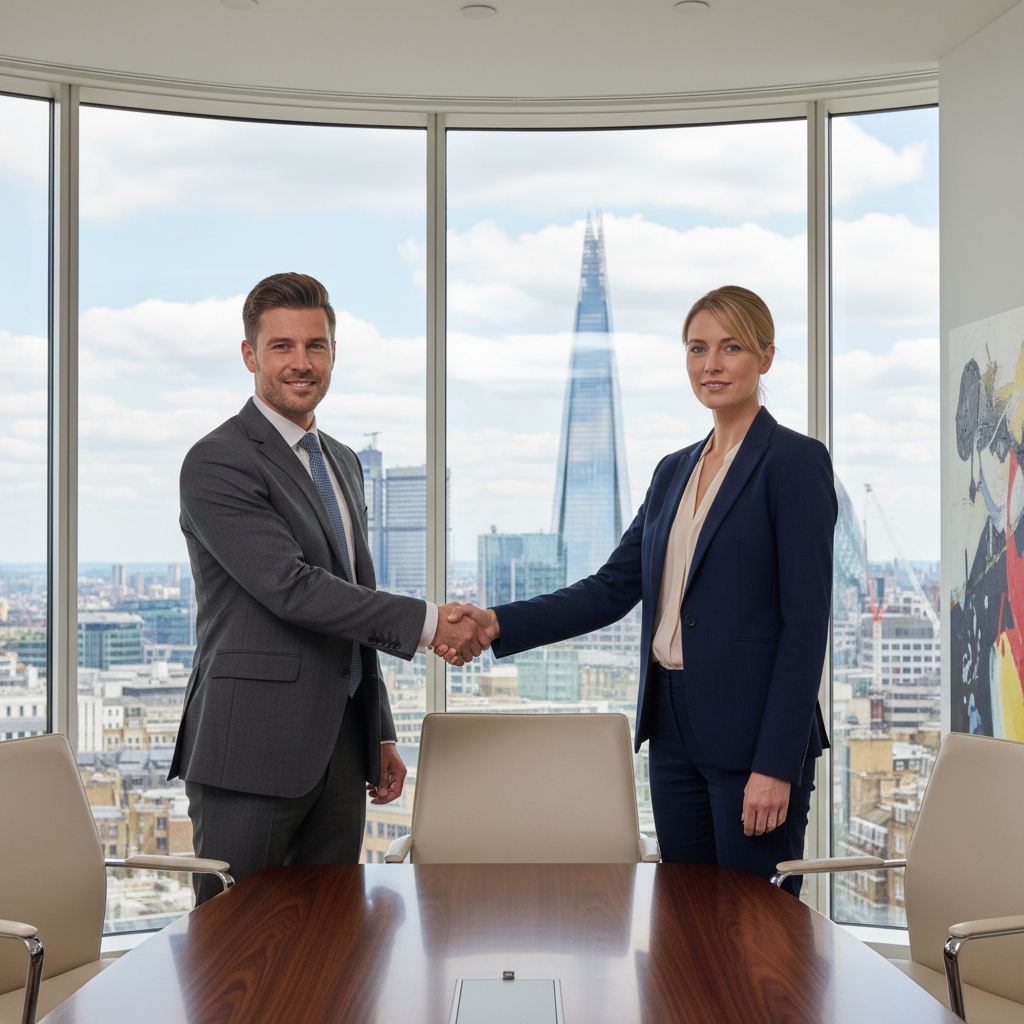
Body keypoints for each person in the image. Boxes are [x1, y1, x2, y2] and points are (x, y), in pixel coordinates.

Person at [440, 286, 837, 895]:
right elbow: (609, 589)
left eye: (731, 348)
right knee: (686, 922)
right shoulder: (673, 470)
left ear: (766, 356)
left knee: (755, 929)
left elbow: (807, 625)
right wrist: (495, 622)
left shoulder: (795, 462)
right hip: (673, 728)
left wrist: (776, 764)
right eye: (697, 348)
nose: (712, 364)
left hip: (754, 736)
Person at [169, 272, 490, 903]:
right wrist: (430, 624)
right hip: (250, 751)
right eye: (282, 346)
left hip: (341, 750)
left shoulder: (341, 460)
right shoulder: (218, 460)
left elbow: (351, 595)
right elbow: (292, 587)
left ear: (334, 354)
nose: (301, 362)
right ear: (249, 355)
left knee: (332, 943)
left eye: (315, 345)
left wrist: (379, 729)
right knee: (234, 952)